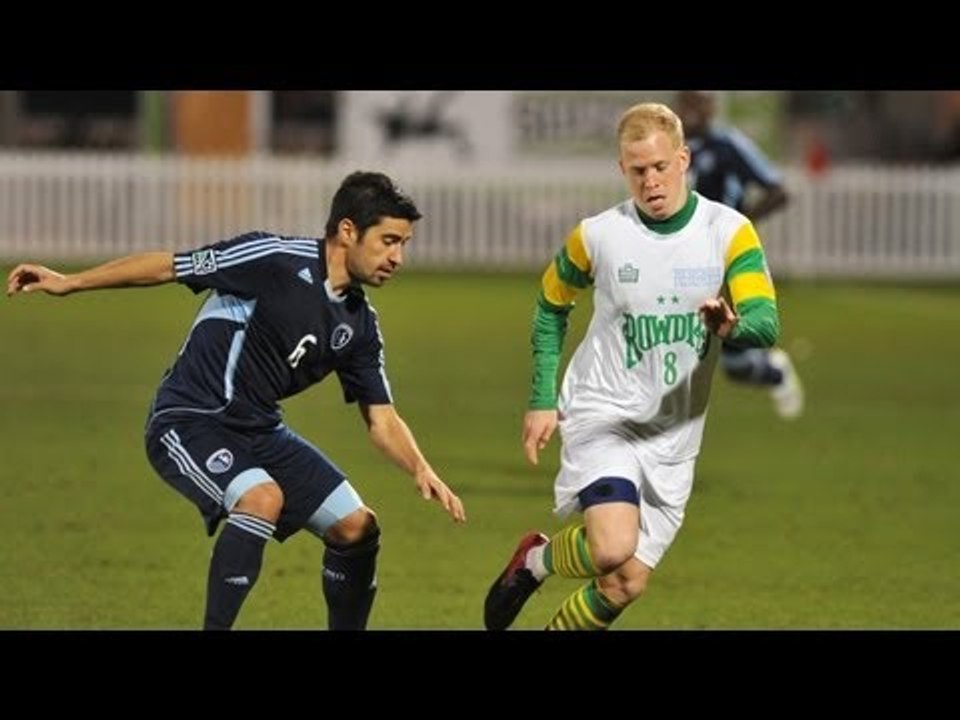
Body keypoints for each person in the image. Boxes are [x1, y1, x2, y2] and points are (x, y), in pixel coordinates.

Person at [7, 170, 466, 630]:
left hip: (261, 431)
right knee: (262, 498)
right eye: (389, 241)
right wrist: (70, 282)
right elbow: (170, 266)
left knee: (357, 527)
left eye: (403, 244)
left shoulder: (359, 323)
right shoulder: (273, 260)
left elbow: (382, 419)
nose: (398, 257)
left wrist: (420, 468)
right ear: (348, 231)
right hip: (189, 419)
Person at [483, 102, 780, 631]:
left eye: (661, 167)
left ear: (683, 160)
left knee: (624, 583)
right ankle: (538, 563)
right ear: (623, 169)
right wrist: (542, 398)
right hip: (605, 412)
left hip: (676, 436)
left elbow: (766, 322)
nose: (651, 181)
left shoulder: (729, 231)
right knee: (610, 547)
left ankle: (535, 560)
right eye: (638, 170)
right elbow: (551, 305)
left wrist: (733, 327)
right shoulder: (597, 235)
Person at [676, 90, 803, 419]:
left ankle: (774, 371)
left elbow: (778, 191)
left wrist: (739, 226)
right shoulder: (670, 148)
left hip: (723, 261)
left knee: (734, 363)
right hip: (679, 260)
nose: (692, 109)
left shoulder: (728, 146)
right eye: (686, 101)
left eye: (699, 101)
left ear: (711, 107)